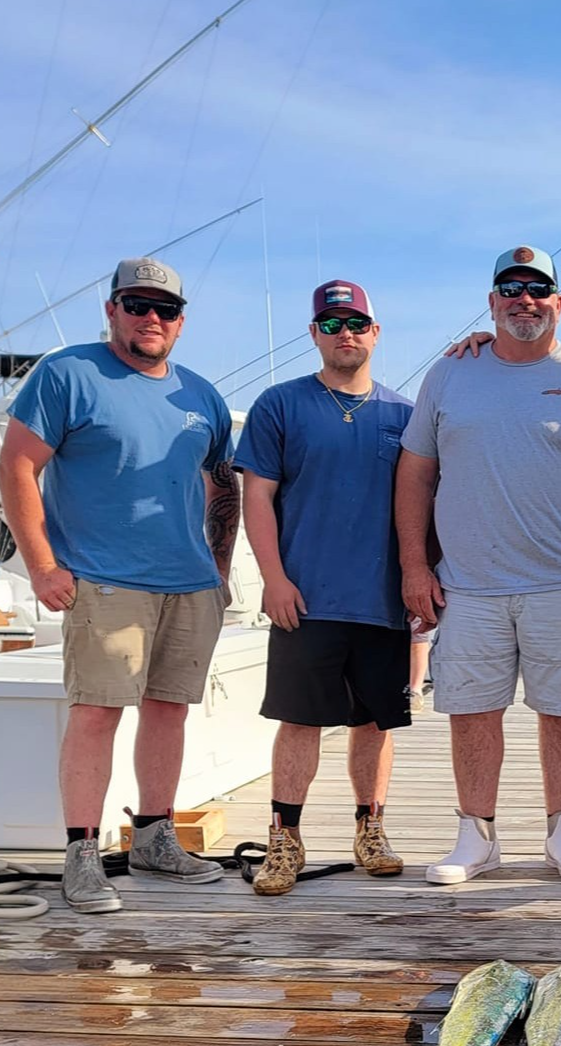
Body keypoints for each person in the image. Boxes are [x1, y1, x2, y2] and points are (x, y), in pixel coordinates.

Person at [0, 256, 235, 914]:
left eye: (166, 309)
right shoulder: (67, 373)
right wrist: (42, 564)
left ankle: (154, 839)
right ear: (112, 310)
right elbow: (17, 466)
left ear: (181, 322)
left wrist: (220, 568)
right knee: (97, 713)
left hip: (189, 584)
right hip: (103, 581)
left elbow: (223, 483)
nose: (152, 317)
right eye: (137, 304)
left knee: (169, 710)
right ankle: (81, 852)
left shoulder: (202, 396)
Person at [396, 245, 561, 884]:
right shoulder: (450, 372)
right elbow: (416, 473)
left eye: (537, 289)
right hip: (469, 586)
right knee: (471, 711)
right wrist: (414, 566)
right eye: (511, 289)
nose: (525, 300)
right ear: (492, 302)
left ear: (558, 302)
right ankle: (476, 836)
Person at [235, 279, 415, 896]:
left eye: (357, 323)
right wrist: (273, 578)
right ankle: (285, 839)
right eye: (333, 324)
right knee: (299, 721)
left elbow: (423, 505)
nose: (346, 334)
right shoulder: (280, 404)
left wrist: (420, 581)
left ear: (375, 333)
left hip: (383, 601)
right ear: (314, 333)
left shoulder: (405, 415)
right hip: (304, 599)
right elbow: (256, 496)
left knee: (375, 724)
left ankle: (371, 829)